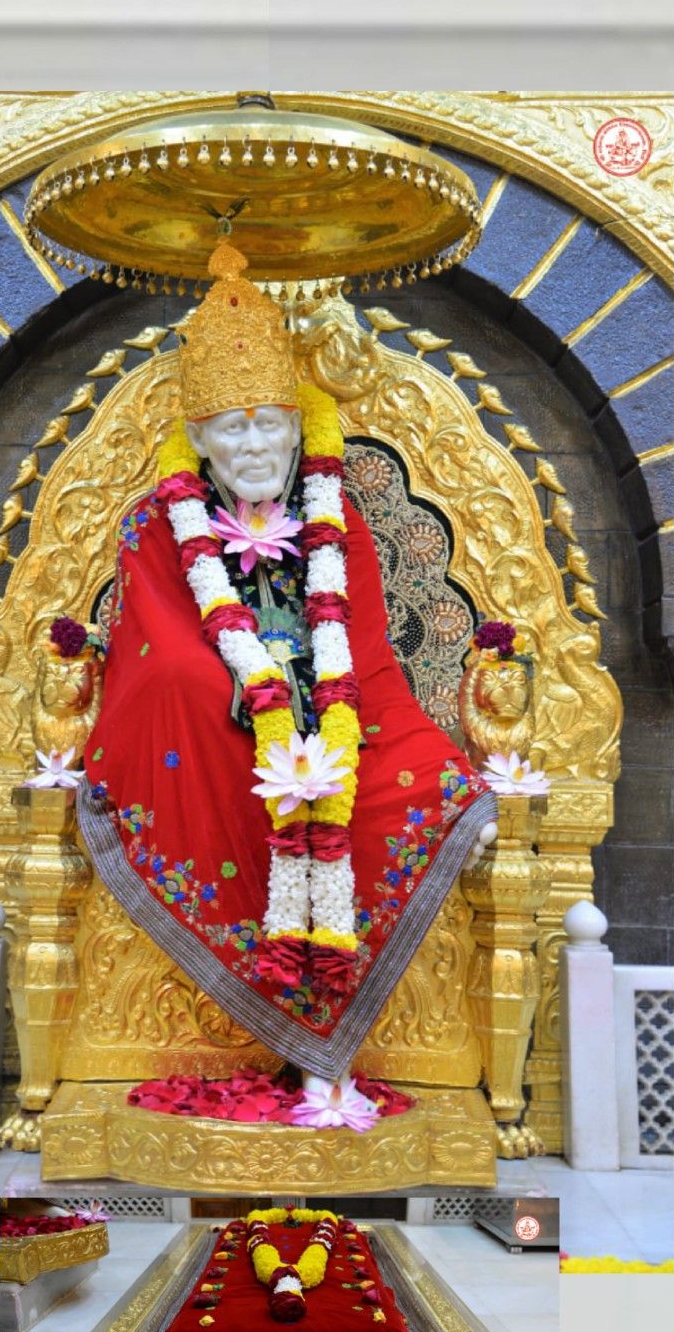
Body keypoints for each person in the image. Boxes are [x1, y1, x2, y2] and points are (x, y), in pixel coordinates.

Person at [78, 240, 496, 1082]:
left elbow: (369, 656)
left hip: (341, 724)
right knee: (182, 689)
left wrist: (323, 712)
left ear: (298, 426)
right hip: (225, 730)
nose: (258, 444)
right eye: (236, 426)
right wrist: (248, 687)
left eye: (272, 421)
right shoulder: (162, 526)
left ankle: (354, 1037)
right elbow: (155, 647)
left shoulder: (334, 524)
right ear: (200, 438)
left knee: (435, 786)